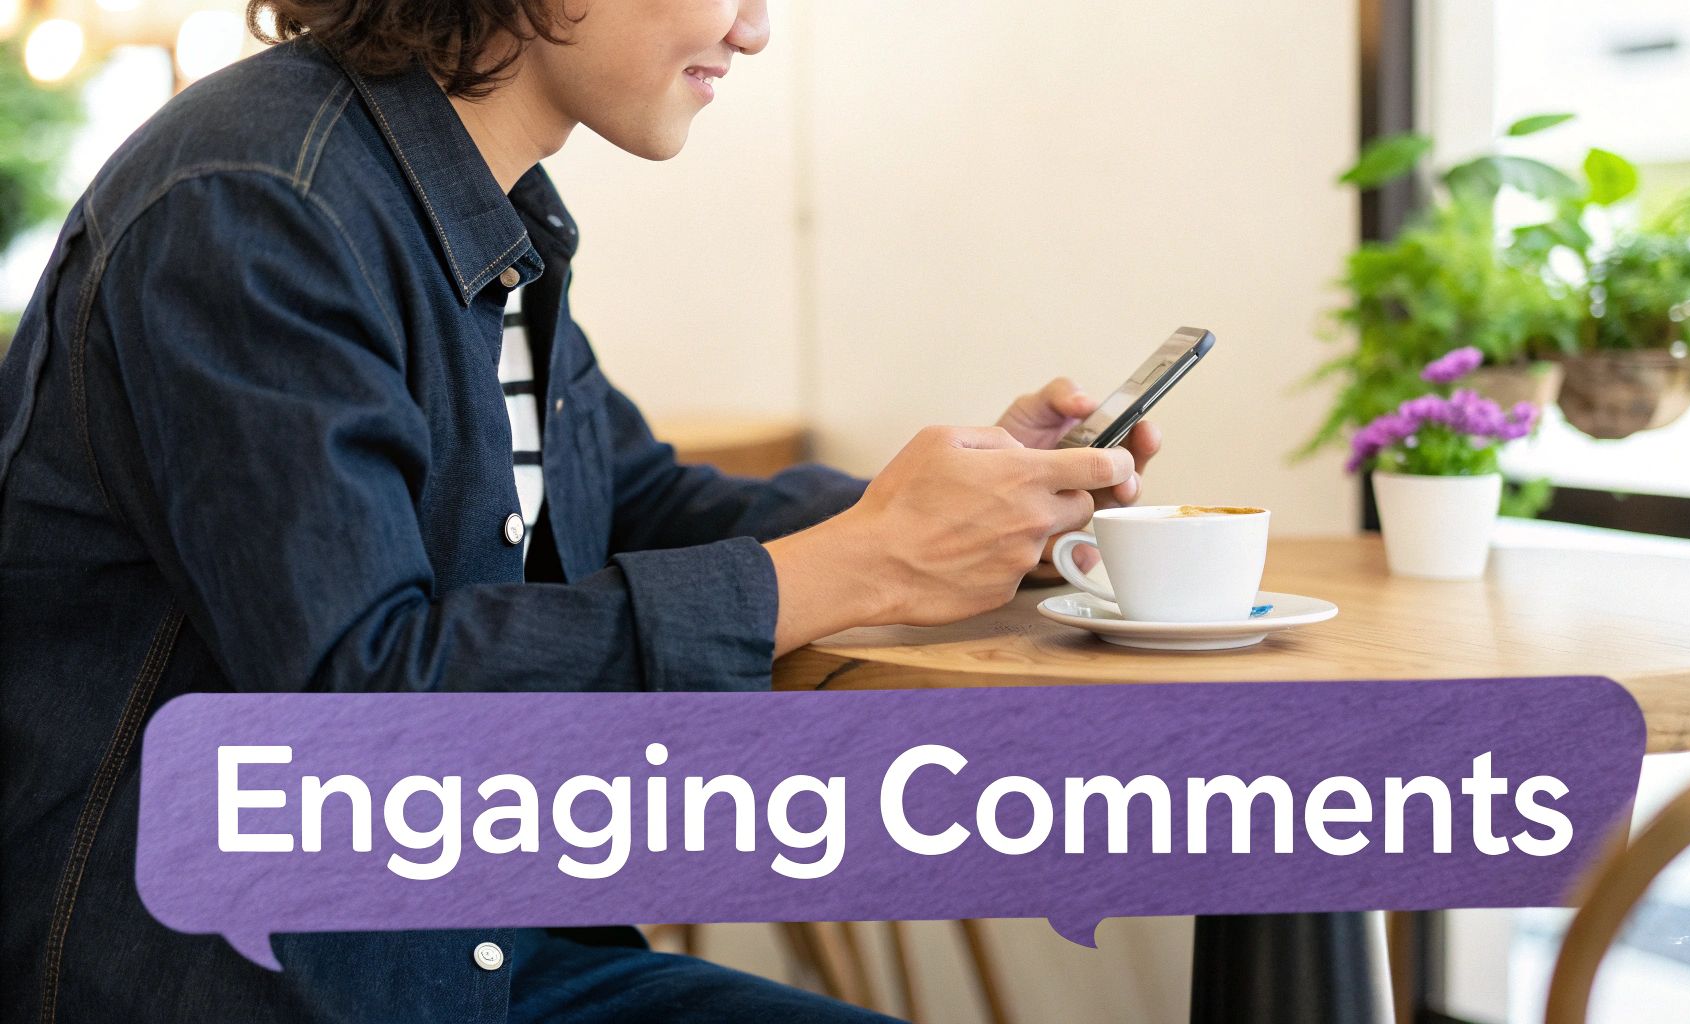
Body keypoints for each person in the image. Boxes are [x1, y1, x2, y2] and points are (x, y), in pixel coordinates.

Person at [0, 0, 1162, 1020]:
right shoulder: (257, 203)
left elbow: (633, 500)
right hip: (252, 978)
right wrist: (867, 564)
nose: (754, 29)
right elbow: (362, 697)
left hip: (477, 946)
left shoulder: (484, 209)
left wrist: (968, 515)